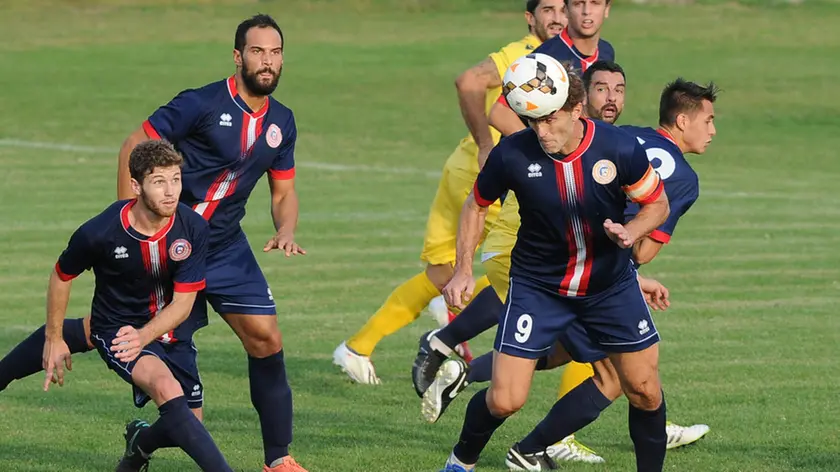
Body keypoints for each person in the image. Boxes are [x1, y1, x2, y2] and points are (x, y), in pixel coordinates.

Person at [1, 14, 307, 472]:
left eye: (276, 52)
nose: (268, 61)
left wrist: (286, 229)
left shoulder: (282, 122)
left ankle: (279, 460)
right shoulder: (201, 103)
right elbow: (134, 144)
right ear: (238, 56)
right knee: (117, 339)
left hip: (224, 248)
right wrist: (134, 223)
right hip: (171, 245)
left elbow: (283, 192)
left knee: (266, 338)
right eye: (258, 52)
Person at [422, 64, 717, 464]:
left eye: (549, 118)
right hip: (538, 288)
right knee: (506, 400)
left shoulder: (618, 147)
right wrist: (461, 269)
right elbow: (477, 204)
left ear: (576, 107)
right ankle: (461, 460)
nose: (541, 131)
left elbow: (657, 203)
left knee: (644, 389)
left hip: (609, 287)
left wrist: (631, 232)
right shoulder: (512, 153)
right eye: (532, 120)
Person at [332, 0, 568, 385]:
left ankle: (360, 346)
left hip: (464, 168)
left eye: (563, 8)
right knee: (514, 267)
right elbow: (469, 81)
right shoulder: (526, 53)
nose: (557, 17)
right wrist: (485, 144)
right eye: (548, 9)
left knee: (444, 273)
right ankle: (451, 331)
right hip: (491, 175)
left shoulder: (556, 53)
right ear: (530, 17)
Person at [42, 140, 233, 472]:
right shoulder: (100, 232)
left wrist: (146, 334)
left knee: (188, 426)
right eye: (159, 182)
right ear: (136, 186)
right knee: (166, 387)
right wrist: (53, 337)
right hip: (118, 330)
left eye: (175, 179)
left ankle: (140, 443)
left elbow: (184, 303)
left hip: (167, 331)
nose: (171, 191)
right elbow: (61, 276)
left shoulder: (193, 228)